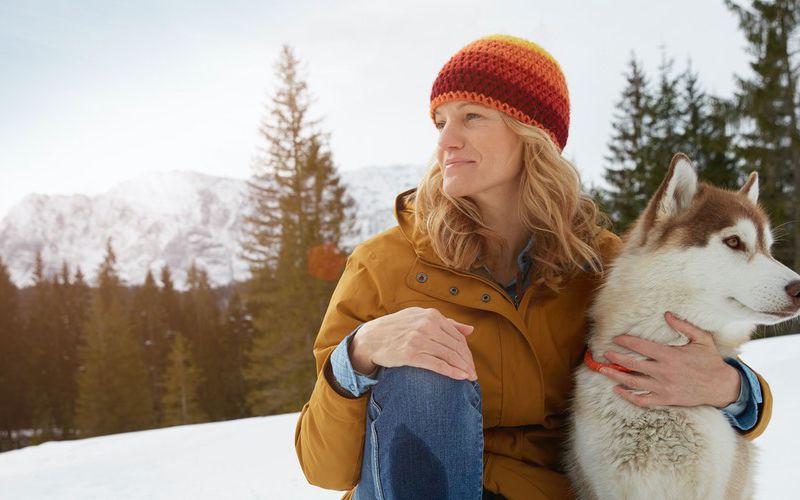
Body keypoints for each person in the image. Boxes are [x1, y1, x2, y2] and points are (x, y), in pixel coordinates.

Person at [294, 34, 771, 500]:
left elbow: (701, 350)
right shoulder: (383, 264)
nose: (447, 141)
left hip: (549, 488)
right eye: (440, 122)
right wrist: (357, 354)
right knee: (424, 368)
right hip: (414, 485)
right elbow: (324, 467)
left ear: (532, 135)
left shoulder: (601, 264)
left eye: (471, 116)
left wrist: (730, 387)